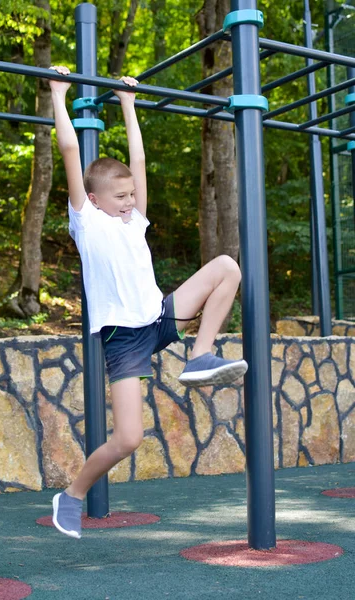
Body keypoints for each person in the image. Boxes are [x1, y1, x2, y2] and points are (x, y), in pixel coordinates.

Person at [49, 66, 247, 539]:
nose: (129, 200)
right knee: (129, 438)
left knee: (227, 268)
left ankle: (199, 355)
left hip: (158, 316)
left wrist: (128, 105)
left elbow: (137, 160)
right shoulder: (87, 223)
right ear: (92, 199)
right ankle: (71, 496)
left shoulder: (133, 220)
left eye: (132, 194)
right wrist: (59, 94)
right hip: (123, 338)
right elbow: (71, 150)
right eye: (119, 196)